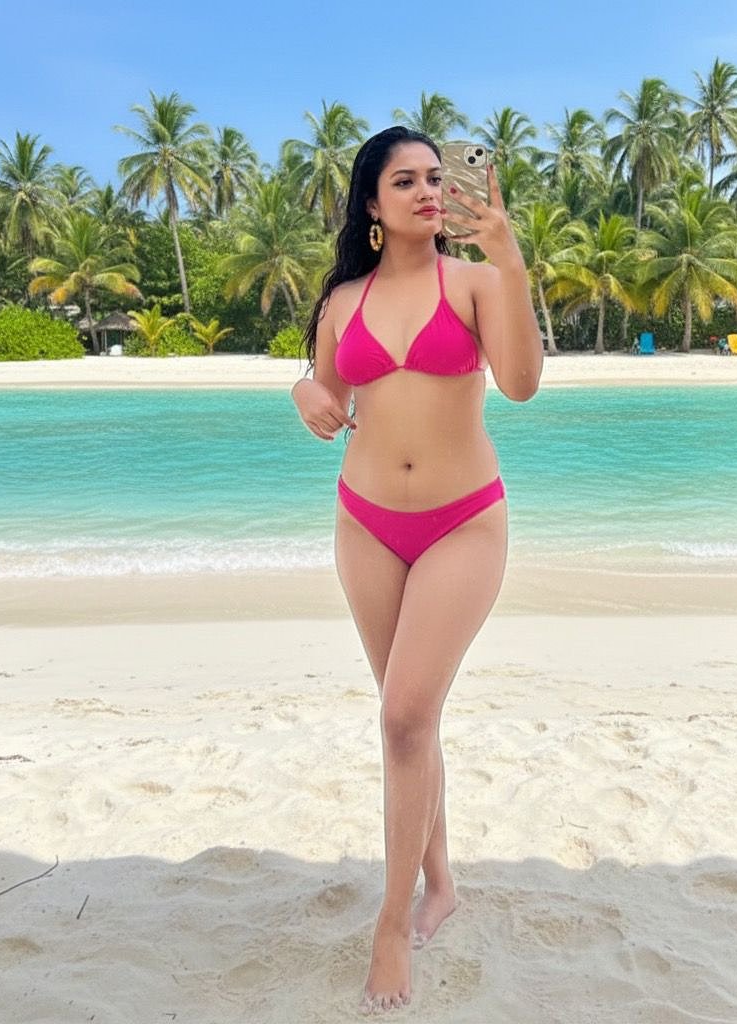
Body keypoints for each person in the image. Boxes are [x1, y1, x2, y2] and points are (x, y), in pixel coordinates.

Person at [291, 126, 542, 1013]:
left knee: (403, 715)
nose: (430, 191)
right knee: (410, 720)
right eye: (406, 180)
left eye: (437, 177)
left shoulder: (473, 282)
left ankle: (392, 925)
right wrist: (304, 393)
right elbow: (327, 389)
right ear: (372, 202)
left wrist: (509, 258)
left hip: (462, 522)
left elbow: (521, 383)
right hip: (365, 524)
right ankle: (441, 885)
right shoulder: (342, 300)